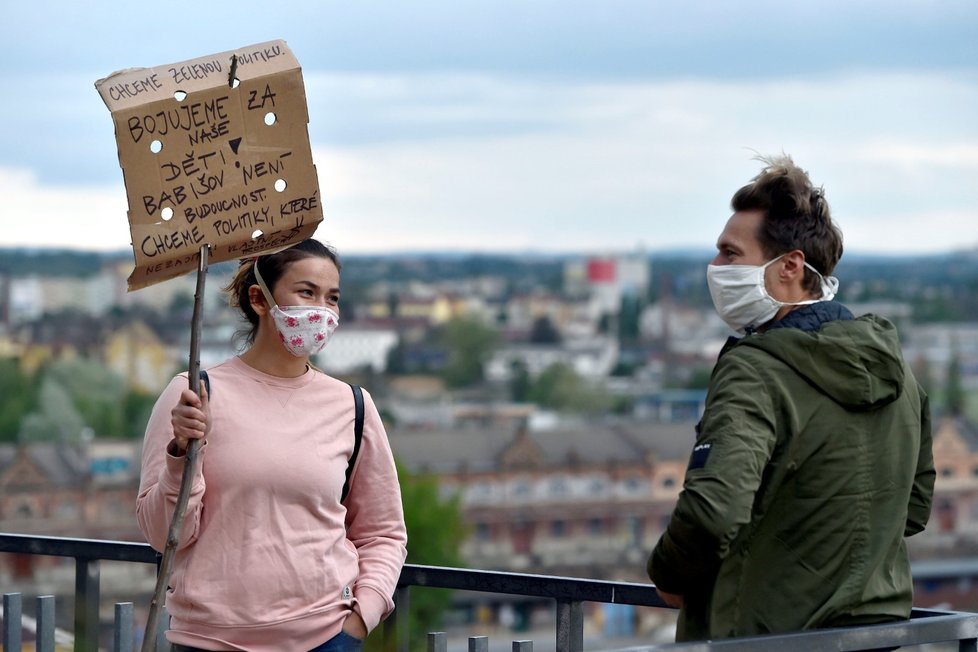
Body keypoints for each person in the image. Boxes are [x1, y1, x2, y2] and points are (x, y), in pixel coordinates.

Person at [647, 155, 935, 642]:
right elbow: (915, 506)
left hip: (767, 637)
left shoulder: (756, 368)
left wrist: (669, 575)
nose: (715, 268)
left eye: (730, 254)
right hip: (878, 637)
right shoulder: (897, 368)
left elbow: (713, 512)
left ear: (790, 268)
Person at [137, 238, 408, 652]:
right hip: (208, 642)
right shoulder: (193, 395)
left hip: (324, 639)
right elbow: (162, 535)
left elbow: (383, 532)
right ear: (259, 300)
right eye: (306, 292)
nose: (322, 309)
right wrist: (181, 455)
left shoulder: (352, 406)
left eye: (332, 298)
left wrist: (362, 616)